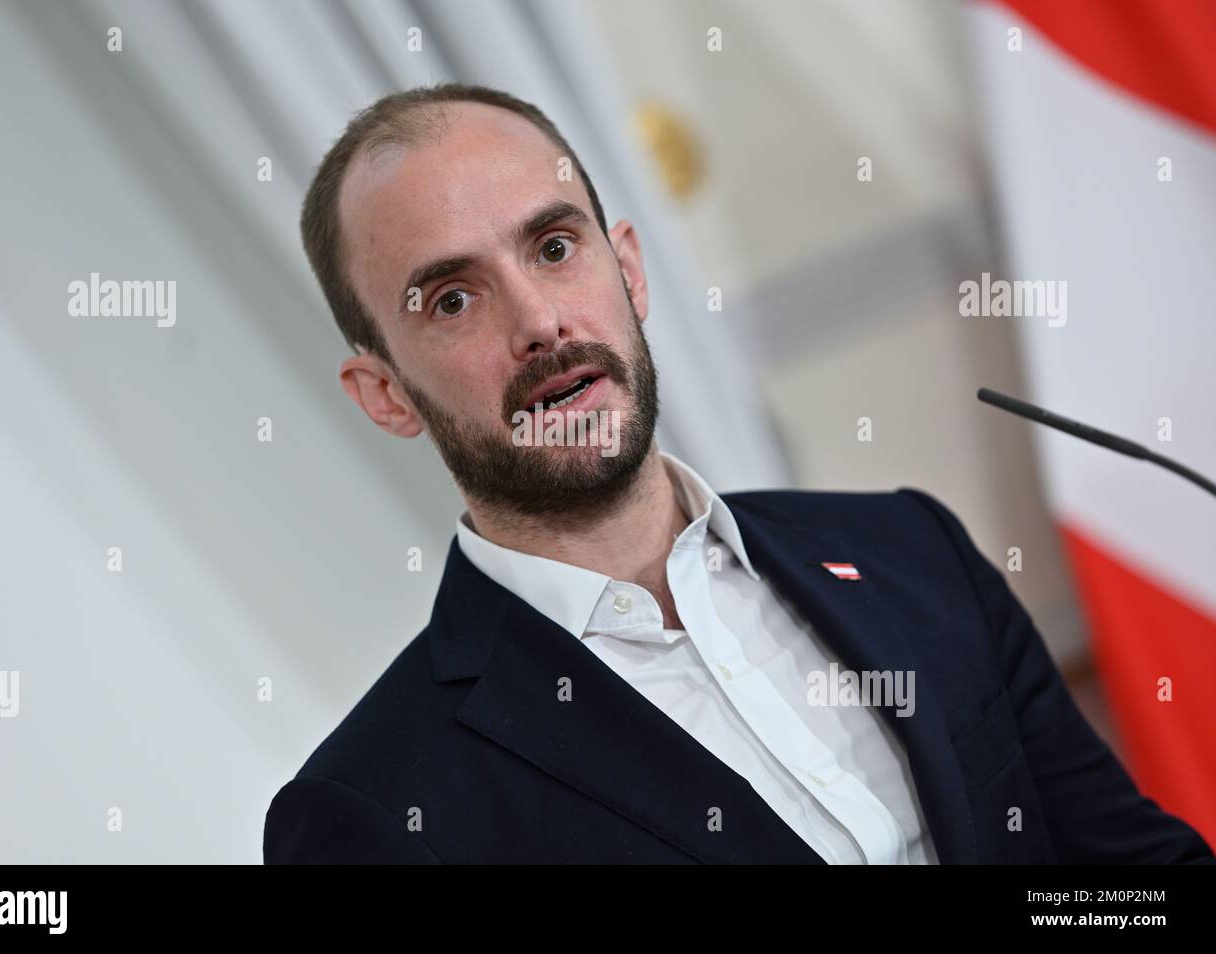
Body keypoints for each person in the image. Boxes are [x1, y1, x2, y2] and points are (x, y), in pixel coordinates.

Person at [263, 82, 1213, 864]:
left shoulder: (909, 553)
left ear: (628, 272)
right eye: (454, 298)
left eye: (554, 248)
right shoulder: (376, 811)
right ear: (383, 393)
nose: (539, 322)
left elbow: (1118, 878)